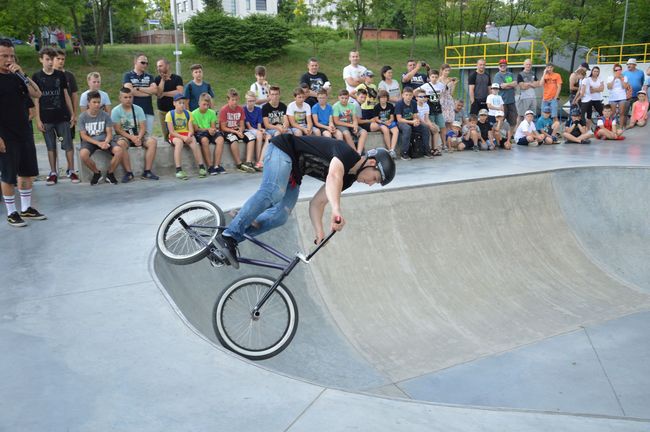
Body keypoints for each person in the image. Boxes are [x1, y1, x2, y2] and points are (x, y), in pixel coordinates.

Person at [214, 135, 396, 267]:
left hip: (294, 173)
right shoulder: (347, 154)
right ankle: (229, 235)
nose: (371, 184)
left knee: (280, 216)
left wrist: (320, 232)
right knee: (274, 192)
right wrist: (336, 209)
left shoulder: (348, 180)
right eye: (375, 178)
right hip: (282, 150)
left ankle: (234, 236)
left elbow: (317, 203)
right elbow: (333, 176)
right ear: (371, 163)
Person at [0, 38, 46, 227]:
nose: (9, 59)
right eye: (4, 55)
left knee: (27, 171)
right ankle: (12, 212)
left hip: (24, 130)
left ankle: (26, 208)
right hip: (5, 133)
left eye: (11, 55)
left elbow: (37, 94)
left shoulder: (17, 77)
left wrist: (22, 74)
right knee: (8, 174)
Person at [32, 47, 76, 185]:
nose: (50, 62)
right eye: (47, 59)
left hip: (62, 117)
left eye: (52, 59)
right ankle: (53, 172)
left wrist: (72, 113)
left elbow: (66, 95)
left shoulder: (60, 75)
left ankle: (71, 170)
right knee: (51, 146)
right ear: (41, 60)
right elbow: (36, 99)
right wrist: (38, 119)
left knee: (66, 143)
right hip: (46, 119)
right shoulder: (37, 77)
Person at [111, 87, 159, 182]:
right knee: (121, 144)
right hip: (124, 135)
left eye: (130, 97)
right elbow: (118, 129)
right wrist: (132, 138)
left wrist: (139, 138)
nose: (128, 99)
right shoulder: (116, 111)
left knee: (152, 142)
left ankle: (147, 171)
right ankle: (129, 173)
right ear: (120, 98)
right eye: (125, 97)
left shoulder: (138, 109)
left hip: (138, 134)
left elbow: (143, 127)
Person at [78, 90, 123, 185]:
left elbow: (109, 133)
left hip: (105, 139)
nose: (97, 104)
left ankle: (110, 173)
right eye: (94, 102)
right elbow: (83, 136)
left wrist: (106, 142)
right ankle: (96, 173)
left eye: (98, 102)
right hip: (90, 141)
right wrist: (98, 143)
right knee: (83, 154)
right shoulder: (82, 117)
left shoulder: (105, 115)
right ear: (88, 103)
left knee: (119, 151)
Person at [166, 94, 207, 179]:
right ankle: (178, 169)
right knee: (179, 143)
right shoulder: (170, 114)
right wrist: (183, 138)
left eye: (183, 103)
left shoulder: (188, 113)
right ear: (174, 103)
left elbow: (191, 129)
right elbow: (171, 132)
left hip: (186, 133)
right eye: (179, 103)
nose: (182, 105)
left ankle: (201, 167)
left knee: (193, 141)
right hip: (175, 135)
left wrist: (188, 136)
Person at [123, 53, 157, 136]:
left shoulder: (150, 76)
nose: (145, 65)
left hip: (148, 111)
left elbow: (155, 90)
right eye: (142, 62)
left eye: (146, 63)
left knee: (147, 137)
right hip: (131, 111)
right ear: (135, 62)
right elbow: (129, 91)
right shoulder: (128, 75)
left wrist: (138, 89)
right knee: (132, 136)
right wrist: (148, 92)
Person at [395, 86, 431, 159]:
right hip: (402, 123)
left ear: (412, 96)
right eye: (406, 95)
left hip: (411, 121)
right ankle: (404, 153)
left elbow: (415, 115)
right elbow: (399, 119)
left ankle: (426, 151)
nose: (408, 97)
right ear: (403, 95)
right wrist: (412, 122)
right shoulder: (399, 104)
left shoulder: (414, 103)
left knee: (425, 127)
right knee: (407, 129)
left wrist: (416, 121)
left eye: (410, 95)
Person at [155, 58, 183, 142]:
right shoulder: (157, 79)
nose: (158, 68)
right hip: (162, 111)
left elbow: (180, 92)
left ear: (167, 66)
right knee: (166, 136)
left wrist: (165, 93)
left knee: (176, 134)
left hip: (175, 112)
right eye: (157, 66)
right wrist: (163, 80)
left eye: (160, 66)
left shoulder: (177, 78)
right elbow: (158, 94)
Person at [54, 48, 78, 141]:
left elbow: (74, 95)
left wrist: (74, 114)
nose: (60, 61)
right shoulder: (47, 75)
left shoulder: (69, 75)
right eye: (58, 58)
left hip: (68, 113)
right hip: (53, 113)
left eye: (62, 59)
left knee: (68, 141)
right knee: (56, 141)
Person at [332, 89, 366, 154]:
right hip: (341, 125)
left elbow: (354, 119)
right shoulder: (336, 106)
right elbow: (336, 122)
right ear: (338, 97)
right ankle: (354, 152)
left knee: (364, 132)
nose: (344, 100)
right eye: (342, 98)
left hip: (350, 124)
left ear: (348, 98)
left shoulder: (352, 106)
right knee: (346, 133)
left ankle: (359, 152)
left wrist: (355, 125)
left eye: (346, 98)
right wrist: (352, 125)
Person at [244, 91, 268, 170]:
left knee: (267, 136)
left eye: (252, 101)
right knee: (259, 134)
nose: (250, 103)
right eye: (249, 101)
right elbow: (249, 126)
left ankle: (260, 160)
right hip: (248, 130)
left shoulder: (258, 109)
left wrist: (261, 130)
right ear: (246, 101)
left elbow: (259, 125)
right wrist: (259, 131)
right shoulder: (244, 109)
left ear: (255, 101)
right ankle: (258, 160)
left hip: (255, 130)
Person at [421, 71, 445, 154]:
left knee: (442, 125)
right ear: (429, 77)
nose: (434, 78)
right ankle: (433, 147)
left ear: (438, 77)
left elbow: (442, 93)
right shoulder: (425, 86)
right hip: (429, 108)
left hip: (437, 108)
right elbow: (416, 92)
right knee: (433, 128)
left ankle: (441, 145)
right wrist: (424, 98)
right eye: (432, 77)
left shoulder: (441, 85)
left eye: (436, 77)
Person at [372, 89, 399, 158]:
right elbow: (376, 119)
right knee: (386, 130)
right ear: (379, 99)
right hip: (381, 123)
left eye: (385, 97)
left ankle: (392, 149)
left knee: (396, 131)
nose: (383, 99)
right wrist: (384, 123)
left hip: (389, 121)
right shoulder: (376, 107)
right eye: (382, 98)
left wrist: (389, 122)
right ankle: (389, 149)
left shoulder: (390, 105)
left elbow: (392, 117)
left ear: (387, 98)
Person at [414, 88, 439, 157]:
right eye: (421, 97)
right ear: (416, 98)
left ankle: (435, 149)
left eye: (424, 96)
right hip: (418, 122)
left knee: (435, 128)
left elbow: (426, 118)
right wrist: (428, 125)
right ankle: (429, 149)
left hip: (425, 121)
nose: (423, 98)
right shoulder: (415, 106)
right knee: (427, 129)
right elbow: (419, 119)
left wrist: (430, 124)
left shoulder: (426, 105)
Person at [493, 59, 518, 127]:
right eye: (501, 65)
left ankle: (510, 137)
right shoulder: (497, 75)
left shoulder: (510, 74)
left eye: (504, 65)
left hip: (511, 101)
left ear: (506, 66)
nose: (503, 66)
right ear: (499, 66)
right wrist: (511, 85)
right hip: (502, 102)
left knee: (513, 121)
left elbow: (515, 83)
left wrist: (506, 84)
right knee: (501, 120)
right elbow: (501, 86)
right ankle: (499, 136)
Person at [606, 64, 631, 128]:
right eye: (616, 70)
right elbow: (609, 87)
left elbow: (624, 87)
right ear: (613, 70)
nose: (618, 71)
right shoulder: (610, 77)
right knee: (612, 113)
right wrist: (614, 79)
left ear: (621, 70)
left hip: (622, 96)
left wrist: (621, 79)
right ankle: (611, 126)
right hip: (613, 97)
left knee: (621, 112)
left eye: (619, 70)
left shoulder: (624, 77)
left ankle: (621, 127)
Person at [517, 59, 540, 124]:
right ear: (524, 65)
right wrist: (531, 84)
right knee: (521, 115)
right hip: (524, 97)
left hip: (533, 97)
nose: (528, 65)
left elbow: (537, 84)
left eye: (530, 64)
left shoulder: (533, 73)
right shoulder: (520, 74)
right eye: (527, 64)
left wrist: (527, 83)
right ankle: (517, 130)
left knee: (531, 115)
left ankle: (530, 129)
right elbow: (522, 87)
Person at [438, 64, 458, 128]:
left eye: (448, 71)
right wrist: (447, 82)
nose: (447, 72)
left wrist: (454, 84)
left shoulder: (449, 79)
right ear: (442, 71)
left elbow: (451, 93)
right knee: (443, 122)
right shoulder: (439, 80)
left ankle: (449, 136)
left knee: (450, 122)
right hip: (442, 100)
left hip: (449, 101)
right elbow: (440, 92)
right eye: (445, 70)